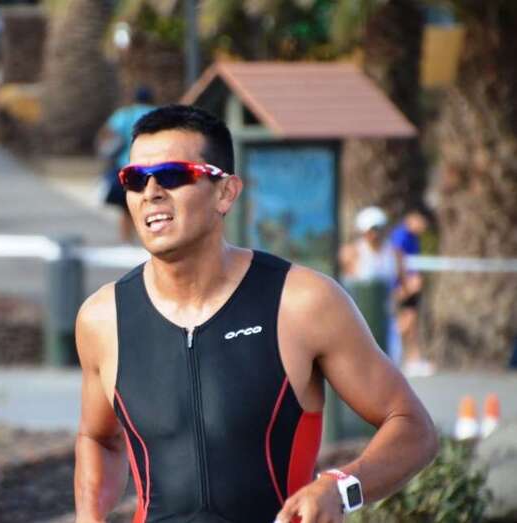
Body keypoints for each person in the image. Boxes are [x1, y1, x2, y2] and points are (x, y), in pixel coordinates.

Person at [74, 105, 437, 523]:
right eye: (135, 178)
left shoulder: (301, 302)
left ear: (226, 192)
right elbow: (98, 438)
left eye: (173, 175)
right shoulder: (102, 319)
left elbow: (413, 428)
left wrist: (339, 488)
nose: (151, 192)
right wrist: (89, 516)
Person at [339, 206, 402, 363]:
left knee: (390, 359)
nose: (375, 234)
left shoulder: (394, 253)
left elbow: (402, 284)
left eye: (378, 229)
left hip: (386, 316)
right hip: (359, 316)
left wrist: (395, 299)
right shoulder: (352, 252)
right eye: (371, 230)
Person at [96, 87, 156, 243]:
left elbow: (107, 133)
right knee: (149, 205)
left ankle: (126, 241)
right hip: (151, 167)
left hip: (126, 166)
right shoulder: (156, 114)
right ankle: (148, 240)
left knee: (126, 206)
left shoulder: (125, 114)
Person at [390, 208, 434, 377]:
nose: (424, 226)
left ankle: (413, 360)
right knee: (405, 321)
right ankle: (385, 344)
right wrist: (404, 285)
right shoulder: (400, 235)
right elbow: (397, 258)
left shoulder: (415, 238)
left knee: (412, 321)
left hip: (412, 286)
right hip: (401, 286)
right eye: (422, 222)